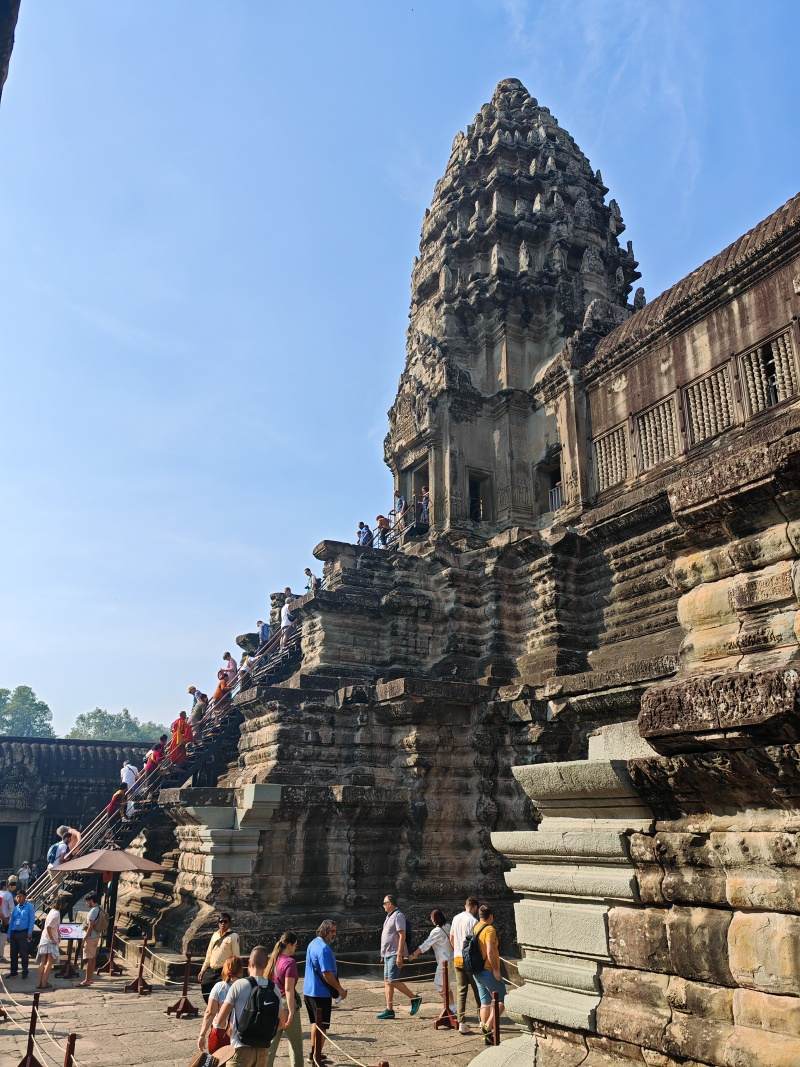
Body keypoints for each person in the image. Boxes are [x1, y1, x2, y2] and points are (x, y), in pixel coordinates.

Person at [215, 945, 286, 1067]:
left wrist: (229, 1030)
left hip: (240, 1049)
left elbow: (220, 1020)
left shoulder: (238, 985)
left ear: (249, 963)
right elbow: (281, 1022)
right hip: (263, 1051)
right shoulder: (274, 989)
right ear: (267, 964)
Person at [305, 919, 347, 1067]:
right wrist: (340, 989)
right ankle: (316, 1058)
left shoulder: (312, 943)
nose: (334, 935)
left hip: (309, 991)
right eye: (332, 932)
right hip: (320, 993)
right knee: (322, 1026)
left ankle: (314, 1053)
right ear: (325, 931)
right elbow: (327, 974)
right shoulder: (323, 948)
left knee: (315, 1024)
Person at [376, 893, 421, 1020]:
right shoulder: (388, 916)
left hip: (395, 953)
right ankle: (389, 1009)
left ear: (390, 904)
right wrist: (382, 953)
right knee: (387, 982)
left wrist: (400, 955)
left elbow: (402, 935)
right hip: (387, 953)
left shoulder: (398, 915)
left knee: (392, 980)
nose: (383, 905)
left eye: (384, 903)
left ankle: (414, 998)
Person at [265, 931, 302, 1067]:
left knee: (270, 1047)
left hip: (273, 1003)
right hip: (286, 1003)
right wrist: (292, 1011)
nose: (295, 948)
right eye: (295, 945)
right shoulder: (290, 962)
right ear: (290, 945)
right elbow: (288, 989)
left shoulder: (274, 959)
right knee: (295, 1045)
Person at [470, 904, 506, 1044]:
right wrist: (496, 970)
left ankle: (487, 1034)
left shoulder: (476, 927)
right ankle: (488, 1027)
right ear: (490, 916)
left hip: (477, 970)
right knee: (502, 1000)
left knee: (485, 1002)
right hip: (487, 970)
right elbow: (490, 951)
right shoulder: (490, 929)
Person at [410, 909, 456, 1017]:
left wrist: (414, 955)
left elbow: (426, 945)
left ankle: (449, 1007)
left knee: (439, 985)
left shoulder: (436, 931)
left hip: (444, 962)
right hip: (452, 959)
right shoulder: (448, 926)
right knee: (446, 986)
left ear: (434, 920)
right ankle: (452, 1007)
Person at [197, 955, 243, 1053]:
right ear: (240, 971)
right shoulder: (245, 987)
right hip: (239, 1035)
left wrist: (202, 1035)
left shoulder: (219, 987)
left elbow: (210, 1012)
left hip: (220, 1033)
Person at [450, 895, 481, 1033]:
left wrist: (456, 949)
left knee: (461, 990)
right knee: (478, 990)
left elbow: (451, 938)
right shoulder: (473, 921)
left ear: (465, 905)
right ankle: (483, 1019)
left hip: (457, 957)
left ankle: (461, 1022)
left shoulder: (456, 918)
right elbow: (476, 943)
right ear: (474, 907)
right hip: (469, 959)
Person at [198, 913, 241, 1002]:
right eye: (221, 921)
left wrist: (233, 973)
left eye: (225, 922)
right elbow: (209, 954)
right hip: (212, 969)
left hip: (223, 970)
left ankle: (219, 1011)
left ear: (229, 923)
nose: (223, 924)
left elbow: (236, 956)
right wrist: (203, 970)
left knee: (222, 994)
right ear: (218, 923)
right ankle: (211, 1008)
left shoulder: (233, 936)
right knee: (205, 988)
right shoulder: (215, 935)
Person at [77, 891, 106, 988]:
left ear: (91, 901)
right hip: (96, 936)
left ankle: (87, 980)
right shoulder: (98, 908)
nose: (86, 903)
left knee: (89, 959)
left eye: (87, 901)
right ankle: (90, 978)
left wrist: (85, 938)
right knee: (92, 958)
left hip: (91, 937)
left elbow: (90, 926)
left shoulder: (93, 911)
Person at [8, 888, 35, 978]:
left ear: (24, 897)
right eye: (17, 897)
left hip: (24, 933)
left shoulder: (29, 907)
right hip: (14, 933)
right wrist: (9, 934)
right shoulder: (15, 908)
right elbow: (11, 922)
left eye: (20, 897)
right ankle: (13, 971)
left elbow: (31, 920)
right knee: (13, 954)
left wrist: (30, 932)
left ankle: (24, 971)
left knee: (24, 953)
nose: (18, 898)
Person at [36, 899, 62, 990]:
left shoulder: (51, 911)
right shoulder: (56, 913)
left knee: (43, 961)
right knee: (49, 962)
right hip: (49, 940)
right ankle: (44, 983)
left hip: (44, 938)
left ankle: (40, 982)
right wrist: (53, 939)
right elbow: (49, 927)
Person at [0, 879, 14, 962]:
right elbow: (12, 909)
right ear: (5, 886)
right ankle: (1, 956)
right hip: (5, 919)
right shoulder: (8, 895)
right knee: (2, 939)